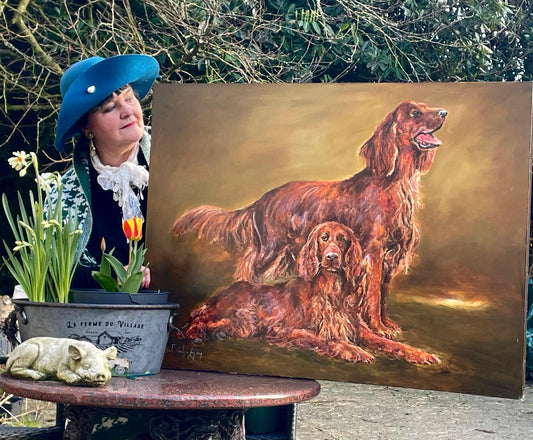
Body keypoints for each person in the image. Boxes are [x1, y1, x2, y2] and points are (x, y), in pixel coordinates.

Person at [52, 54, 160, 289]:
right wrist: (112, 277)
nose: (127, 111)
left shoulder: (173, 159)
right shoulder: (66, 193)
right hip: (100, 311)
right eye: (110, 108)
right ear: (86, 127)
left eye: (129, 98)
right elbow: (56, 272)